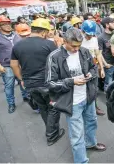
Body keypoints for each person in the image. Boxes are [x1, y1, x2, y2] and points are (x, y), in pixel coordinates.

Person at [46, 28, 106, 163]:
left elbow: (93, 67)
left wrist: (91, 73)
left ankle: (90, 143)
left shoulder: (83, 51)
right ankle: (81, 161)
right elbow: (50, 83)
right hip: (71, 102)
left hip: (88, 97)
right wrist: (71, 82)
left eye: (79, 46)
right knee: (77, 135)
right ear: (64, 41)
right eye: (73, 46)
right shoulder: (54, 57)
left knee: (91, 123)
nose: (76, 49)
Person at [10, 18, 64, 146]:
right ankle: (51, 135)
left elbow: (13, 65)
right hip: (47, 83)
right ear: (44, 32)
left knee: (43, 108)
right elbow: (58, 63)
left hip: (30, 84)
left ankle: (50, 130)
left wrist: (21, 79)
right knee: (53, 108)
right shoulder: (49, 44)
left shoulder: (17, 45)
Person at [0, 15, 28, 113]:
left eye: (8, 23)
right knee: (9, 86)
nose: (7, 25)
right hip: (6, 65)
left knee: (22, 81)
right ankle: (11, 104)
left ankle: (26, 97)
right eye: (3, 24)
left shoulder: (17, 34)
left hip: (20, 64)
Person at [81, 20, 106, 116]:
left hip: (93, 66)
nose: (89, 36)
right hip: (82, 68)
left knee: (94, 88)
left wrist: (102, 68)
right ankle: (84, 107)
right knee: (83, 88)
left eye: (91, 34)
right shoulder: (78, 40)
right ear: (83, 31)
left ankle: (94, 107)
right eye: (88, 34)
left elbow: (98, 54)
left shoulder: (94, 39)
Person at [98, 17, 114, 91]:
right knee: (108, 83)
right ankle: (109, 100)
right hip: (108, 63)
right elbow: (99, 53)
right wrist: (105, 64)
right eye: (112, 23)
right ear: (107, 25)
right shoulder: (101, 37)